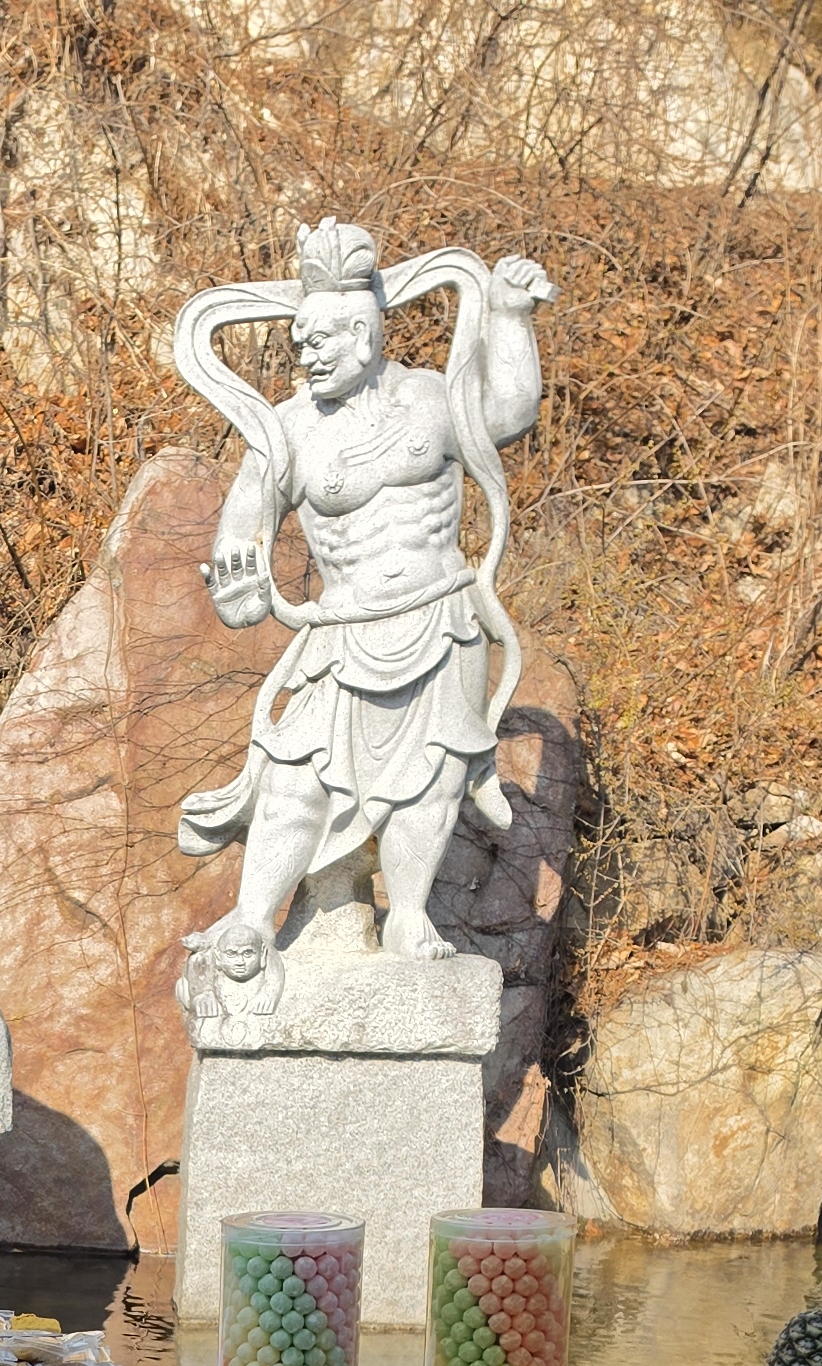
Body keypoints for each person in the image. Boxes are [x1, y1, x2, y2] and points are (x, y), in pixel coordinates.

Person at [178, 220, 552, 972]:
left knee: (434, 777)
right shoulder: (285, 432)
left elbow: (511, 412)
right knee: (295, 773)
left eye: (319, 341)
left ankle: (408, 916)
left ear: (364, 332)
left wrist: (510, 317)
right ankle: (252, 918)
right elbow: (240, 538)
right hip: (343, 629)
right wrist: (239, 590)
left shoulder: (432, 398)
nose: (306, 356)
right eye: (298, 343)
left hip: (442, 615)